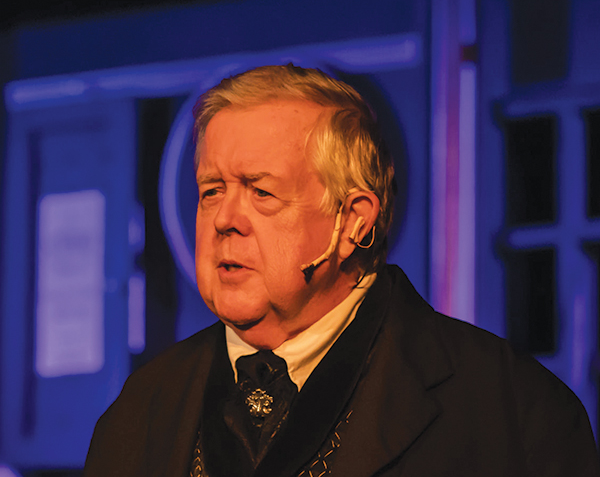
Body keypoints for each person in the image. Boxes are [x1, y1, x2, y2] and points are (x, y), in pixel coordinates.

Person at [83, 65, 600, 477]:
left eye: (261, 191)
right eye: (211, 191)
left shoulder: (510, 413)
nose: (224, 220)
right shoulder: (138, 413)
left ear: (352, 222)